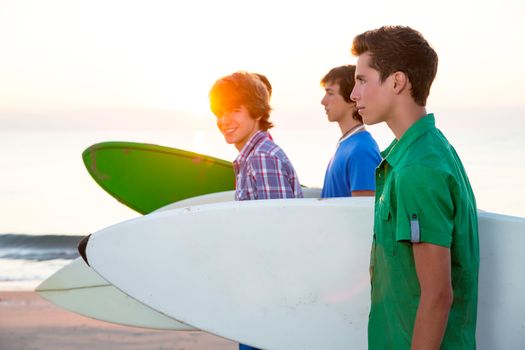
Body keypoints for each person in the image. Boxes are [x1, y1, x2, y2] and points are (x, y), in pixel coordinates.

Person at [349, 26, 479, 349]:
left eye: (362, 80)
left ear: (397, 81)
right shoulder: (424, 152)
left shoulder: (417, 170)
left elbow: (437, 296)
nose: (354, 94)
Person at [209, 71, 303, 350]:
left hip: (268, 300)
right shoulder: (252, 157)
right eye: (220, 112)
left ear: (257, 112)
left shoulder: (262, 158)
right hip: (259, 295)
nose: (224, 120)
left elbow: (279, 236)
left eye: (235, 110)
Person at [320, 65, 381, 198]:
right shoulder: (346, 144)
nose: (323, 101)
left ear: (352, 98)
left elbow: (362, 213)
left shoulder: (361, 150)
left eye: (330, 93)